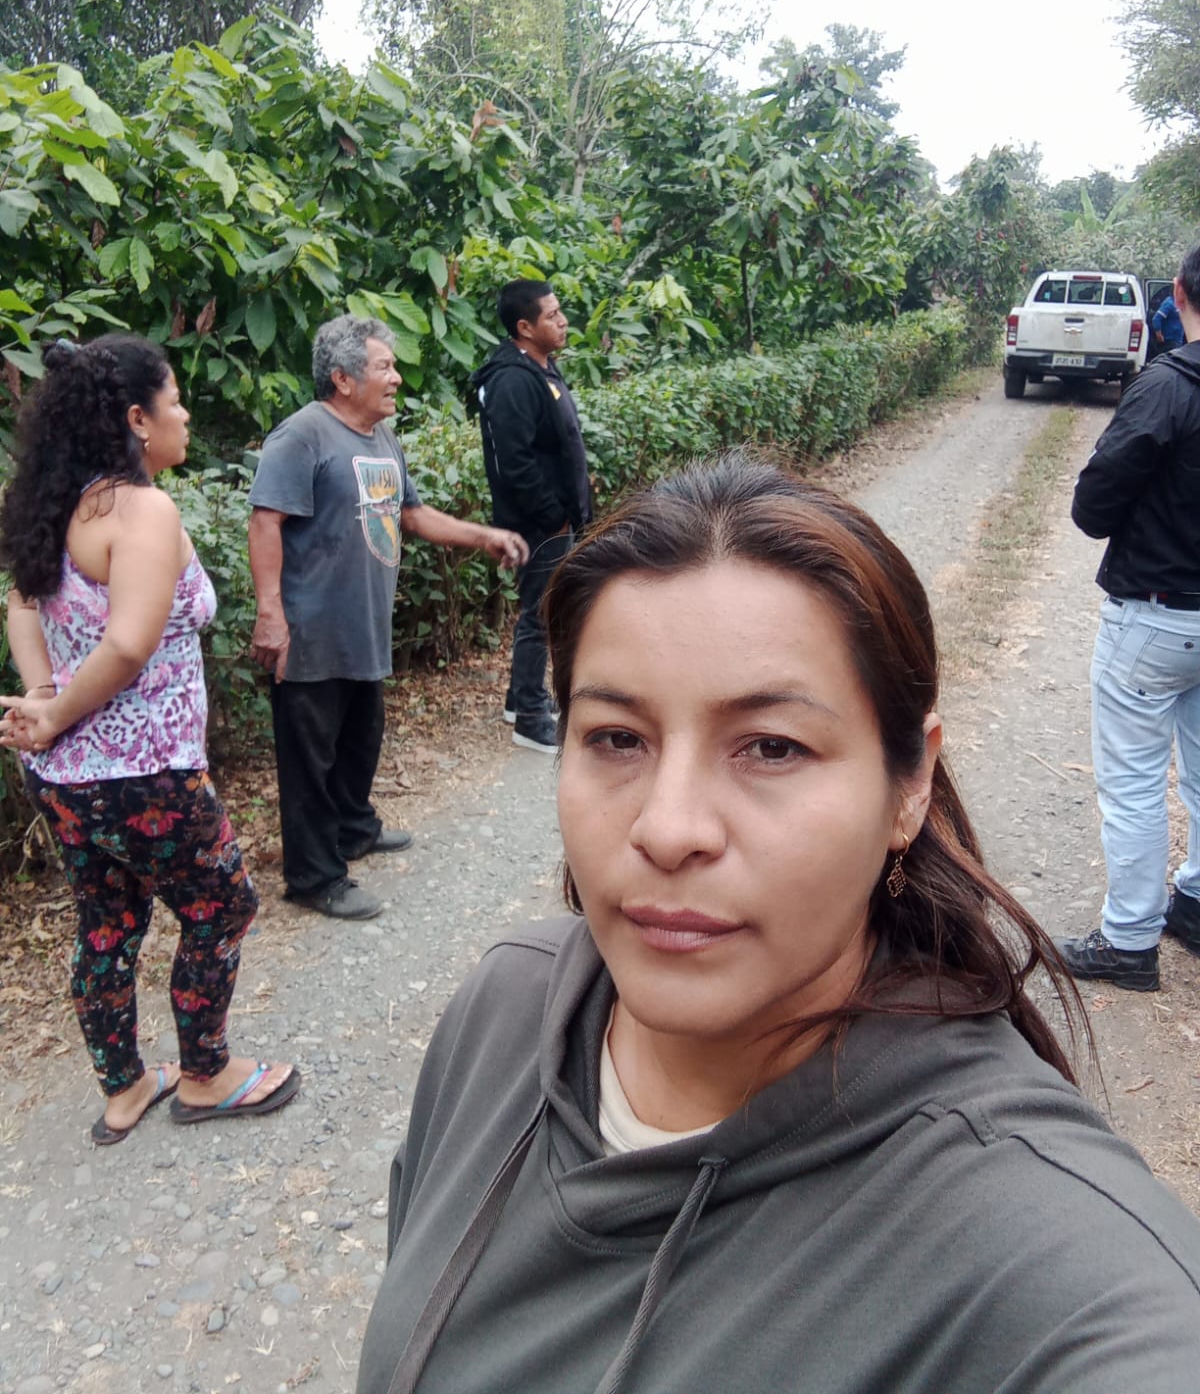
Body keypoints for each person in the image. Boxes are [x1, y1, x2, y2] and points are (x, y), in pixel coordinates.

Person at [356, 457, 1200, 1394]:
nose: (668, 829)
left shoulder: (1036, 1249)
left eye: (771, 747)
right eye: (617, 739)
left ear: (910, 785)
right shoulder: (503, 1007)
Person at [0, 336, 299, 1144]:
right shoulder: (141, 511)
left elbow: (21, 604)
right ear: (137, 419)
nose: (186, 414)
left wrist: (44, 697)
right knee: (222, 907)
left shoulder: (54, 505)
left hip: (64, 778)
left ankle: (125, 1089)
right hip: (146, 774)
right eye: (174, 400)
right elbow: (130, 644)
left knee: (107, 922)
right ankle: (206, 1075)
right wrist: (53, 711)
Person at [248, 315, 527, 921]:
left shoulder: (381, 438)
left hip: (364, 624)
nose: (397, 377)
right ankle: (314, 876)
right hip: (311, 629)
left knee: (360, 737)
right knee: (310, 758)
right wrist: (270, 613)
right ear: (343, 379)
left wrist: (485, 536)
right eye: (385, 367)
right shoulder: (303, 435)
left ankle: (354, 828)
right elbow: (266, 519)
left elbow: (411, 515)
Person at [1056, 247, 1200, 991]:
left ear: (1178, 294)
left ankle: (1130, 941)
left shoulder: (1166, 389)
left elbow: (1094, 505)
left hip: (1155, 615)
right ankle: (1195, 904)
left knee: (1135, 784)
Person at [470, 280, 591, 755]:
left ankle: (519, 699)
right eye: (552, 315)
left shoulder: (541, 366)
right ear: (524, 326)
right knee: (540, 615)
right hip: (538, 523)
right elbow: (513, 461)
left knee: (544, 608)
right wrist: (553, 514)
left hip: (557, 517)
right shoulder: (511, 381)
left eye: (560, 312)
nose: (562, 321)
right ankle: (530, 716)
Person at [1149, 290, 1185, 361]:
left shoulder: (1179, 304)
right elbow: (1156, 318)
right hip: (1169, 340)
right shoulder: (1169, 303)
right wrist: (1158, 334)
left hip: (1177, 340)